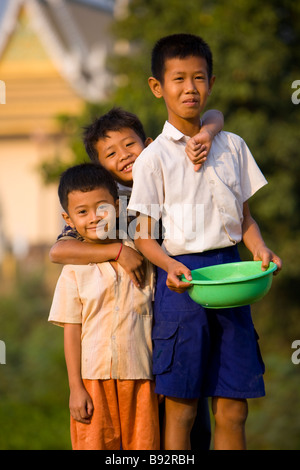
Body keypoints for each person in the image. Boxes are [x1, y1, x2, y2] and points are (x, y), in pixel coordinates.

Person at [127, 33, 282, 450]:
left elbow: (245, 219)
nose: (189, 88)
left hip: (233, 275)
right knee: (182, 409)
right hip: (181, 281)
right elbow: (143, 236)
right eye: (178, 79)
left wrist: (259, 248)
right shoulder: (152, 159)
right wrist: (170, 267)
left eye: (198, 78)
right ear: (157, 87)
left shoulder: (232, 145)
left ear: (211, 83)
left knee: (234, 408)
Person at [49, 107, 224, 450]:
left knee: (192, 413)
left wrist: (209, 132)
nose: (124, 156)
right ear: (102, 168)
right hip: (137, 328)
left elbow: (213, 113)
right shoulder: (111, 206)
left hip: (177, 307)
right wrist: (118, 251)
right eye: (110, 153)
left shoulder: (170, 174)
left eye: (129, 146)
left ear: (148, 144)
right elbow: (60, 251)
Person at [48, 162, 161, 450]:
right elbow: (72, 331)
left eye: (102, 207)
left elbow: (159, 319)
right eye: (82, 212)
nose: (94, 217)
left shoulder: (143, 256)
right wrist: (76, 388)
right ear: (68, 219)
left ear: (119, 207)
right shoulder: (73, 269)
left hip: (141, 377)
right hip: (92, 380)